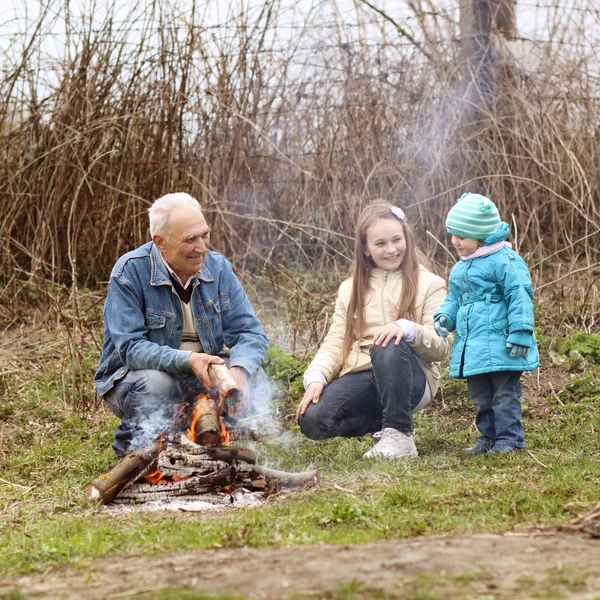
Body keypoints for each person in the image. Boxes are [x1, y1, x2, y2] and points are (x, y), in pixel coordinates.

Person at [94, 192, 269, 456]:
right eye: (190, 239)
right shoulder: (129, 271)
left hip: (200, 379)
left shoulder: (218, 268)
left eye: (204, 235)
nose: (202, 247)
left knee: (257, 377)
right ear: (160, 242)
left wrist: (240, 371)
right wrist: (187, 360)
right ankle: (137, 448)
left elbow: (249, 333)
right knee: (157, 383)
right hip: (137, 380)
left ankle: (206, 434)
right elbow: (130, 349)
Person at [296, 200, 452, 459]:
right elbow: (336, 340)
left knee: (387, 341)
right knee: (312, 420)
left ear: (407, 239)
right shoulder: (350, 288)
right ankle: (386, 427)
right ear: (366, 249)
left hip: (411, 376)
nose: (391, 249)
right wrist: (316, 377)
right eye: (380, 244)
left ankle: (400, 434)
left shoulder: (430, 283)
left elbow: (442, 346)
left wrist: (408, 328)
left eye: (396, 240)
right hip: (363, 374)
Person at [433, 192, 539, 455]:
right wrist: (446, 317)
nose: (455, 242)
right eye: (452, 235)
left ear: (480, 235)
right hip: (475, 346)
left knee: (504, 394)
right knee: (480, 396)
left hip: (503, 342)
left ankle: (510, 439)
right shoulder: (461, 268)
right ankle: (488, 437)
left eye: (462, 236)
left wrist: (521, 330)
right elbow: (455, 298)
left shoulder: (505, 260)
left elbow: (519, 294)